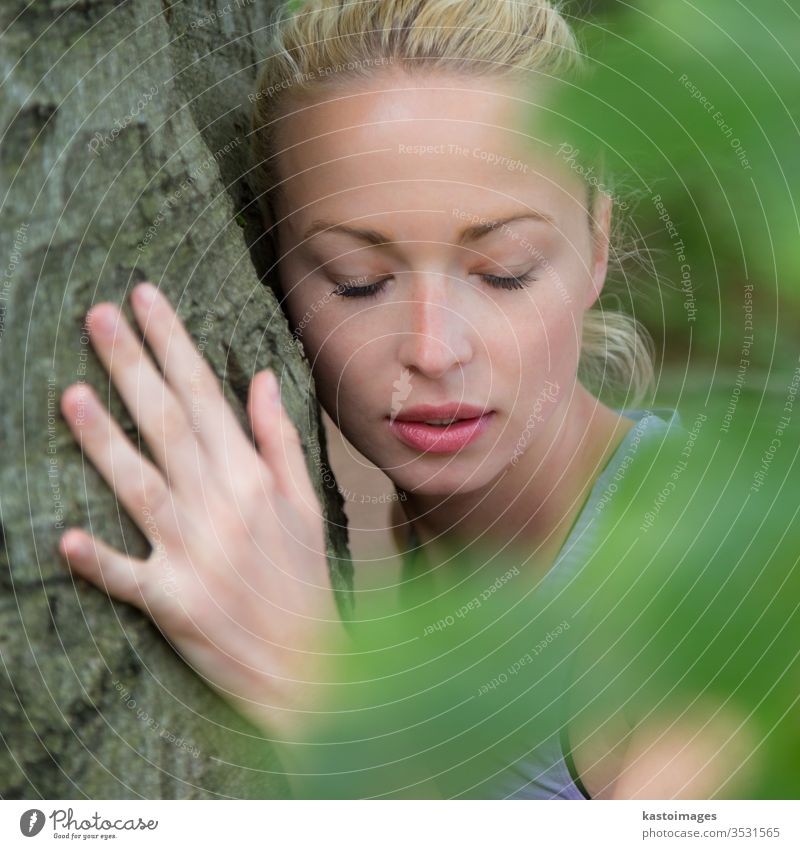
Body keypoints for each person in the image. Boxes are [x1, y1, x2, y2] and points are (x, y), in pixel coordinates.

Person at [57, 0, 695, 798]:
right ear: (270, 276)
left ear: (597, 244)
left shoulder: (706, 579)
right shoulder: (374, 574)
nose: (432, 349)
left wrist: (315, 689)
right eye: (357, 281)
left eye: (506, 269)